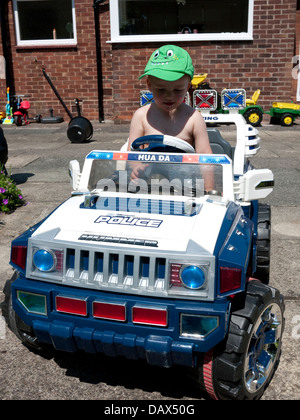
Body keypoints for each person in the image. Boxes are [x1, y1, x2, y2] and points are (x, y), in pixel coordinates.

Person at [128, 45, 214, 191]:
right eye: (161, 89)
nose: (169, 96)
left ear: (187, 87)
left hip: (186, 187)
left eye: (177, 90)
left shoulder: (194, 118)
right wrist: (136, 168)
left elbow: (206, 158)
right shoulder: (141, 116)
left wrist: (210, 190)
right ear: (149, 85)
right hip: (148, 185)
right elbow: (131, 153)